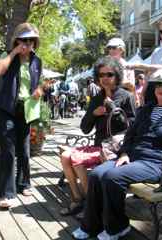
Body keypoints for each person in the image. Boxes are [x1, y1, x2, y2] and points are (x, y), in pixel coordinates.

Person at [72, 68, 162, 240]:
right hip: (132, 158)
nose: (160, 88)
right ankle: (90, 226)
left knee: (112, 177)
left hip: (154, 164)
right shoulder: (147, 109)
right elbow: (130, 135)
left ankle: (118, 227)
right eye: (158, 84)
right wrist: (124, 153)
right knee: (97, 174)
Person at [59, 56, 136, 216]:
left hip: (115, 148)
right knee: (66, 155)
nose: (105, 78)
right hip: (98, 145)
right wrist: (93, 113)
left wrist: (112, 107)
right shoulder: (96, 98)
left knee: (77, 161)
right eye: (101, 75)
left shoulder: (126, 96)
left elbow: (132, 127)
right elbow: (85, 128)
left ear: (117, 75)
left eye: (109, 74)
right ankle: (78, 199)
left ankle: (91, 205)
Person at [0, 22, 44, 208]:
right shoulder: (8, 56)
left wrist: (39, 90)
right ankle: (6, 193)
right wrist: (13, 52)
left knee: (24, 148)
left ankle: (24, 183)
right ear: (16, 40)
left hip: (26, 108)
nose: (27, 43)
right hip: (6, 108)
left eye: (31, 40)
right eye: (24, 40)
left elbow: (39, 83)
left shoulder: (37, 61)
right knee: (8, 149)